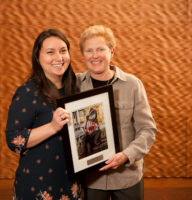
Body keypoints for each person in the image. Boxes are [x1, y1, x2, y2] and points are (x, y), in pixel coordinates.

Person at [77, 25, 157, 200]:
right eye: (89, 50)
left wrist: (126, 155)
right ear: (83, 55)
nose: (95, 55)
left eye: (100, 49)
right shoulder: (75, 85)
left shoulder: (133, 84)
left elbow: (147, 130)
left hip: (127, 176)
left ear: (112, 52)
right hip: (91, 180)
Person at [5, 29, 81, 200]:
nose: (59, 58)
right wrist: (52, 127)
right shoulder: (27, 92)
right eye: (50, 52)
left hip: (70, 183)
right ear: (37, 57)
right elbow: (13, 140)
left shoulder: (75, 87)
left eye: (63, 51)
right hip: (37, 185)